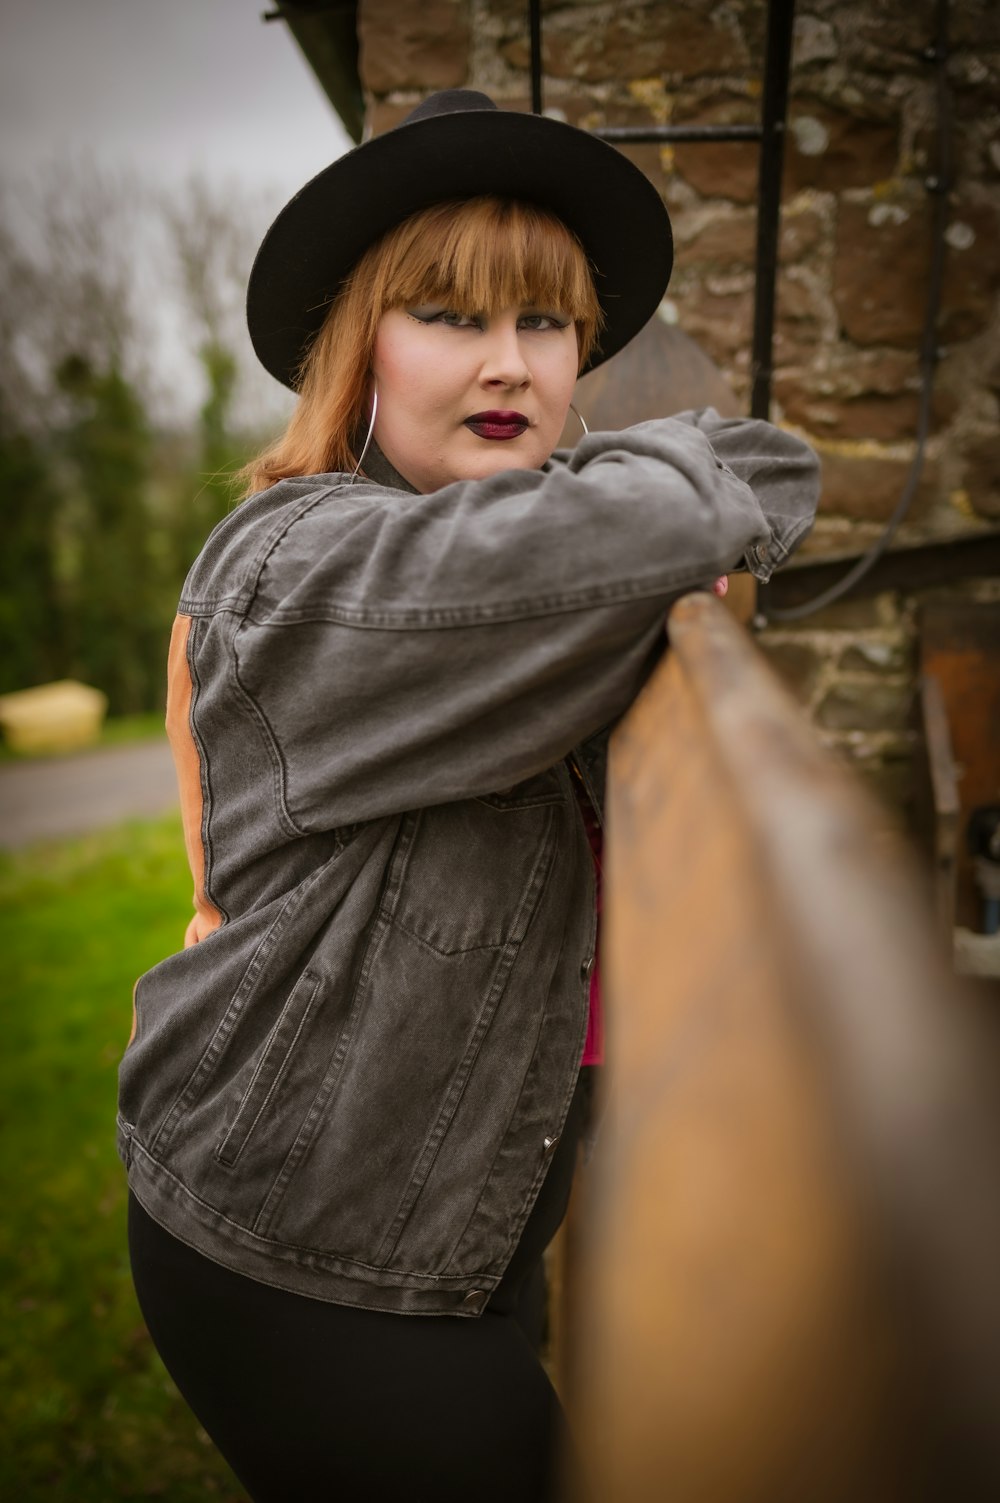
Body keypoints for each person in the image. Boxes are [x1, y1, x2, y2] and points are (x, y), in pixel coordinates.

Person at [119, 90, 820, 1502]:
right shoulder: (306, 561)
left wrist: (662, 504)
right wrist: (665, 505)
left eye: (546, 325)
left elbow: (772, 469)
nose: (509, 364)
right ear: (353, 347)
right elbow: (721, 489)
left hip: (463, 1212)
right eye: (447, 316)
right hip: (300, 1240)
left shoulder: (504, 550)